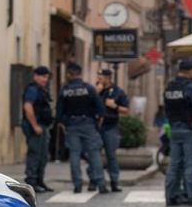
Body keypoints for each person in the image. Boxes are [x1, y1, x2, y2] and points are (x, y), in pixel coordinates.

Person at [57, 62, 107, 194]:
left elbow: (59, 112)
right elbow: (100, 109)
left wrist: (64, 124)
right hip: (88, 124)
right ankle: (101, 183)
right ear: (80, 73)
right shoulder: (89, 88)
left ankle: (77, 184)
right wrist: (97, 123)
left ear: (69, 74)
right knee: (94, 154)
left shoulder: (65, 90)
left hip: (72, 125)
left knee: (74, 155)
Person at [163, 59, 192, 206]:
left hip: (175, 129)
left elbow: (167, 109)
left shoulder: (170, 87)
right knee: (190, 164)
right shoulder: (191, 87)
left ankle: (171, 196)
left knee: (174, 164)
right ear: (189, 71)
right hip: (189, 129)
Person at [21, 66, 54, 193]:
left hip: (42, 125)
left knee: (43, 155)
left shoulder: (41, 90)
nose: (45, 79)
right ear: (36, 76)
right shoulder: (32, 89)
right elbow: (28, 107)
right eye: (43, 76)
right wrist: (35, 125)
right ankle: (32, 181)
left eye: (46, 77)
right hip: (35, 125)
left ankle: (39, 180)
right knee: (35, 154)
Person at [95, 68, 129, 192]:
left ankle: (114, 181)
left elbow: (126, 109)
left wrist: (114, 106)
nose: (98, 79)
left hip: (110, 126)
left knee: (111, 156)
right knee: (94, 155)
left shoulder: (117, 91)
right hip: (96, 127)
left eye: (101, 77)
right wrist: (96, 94)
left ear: (108, 78)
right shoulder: (96, 90)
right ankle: (95, 181)